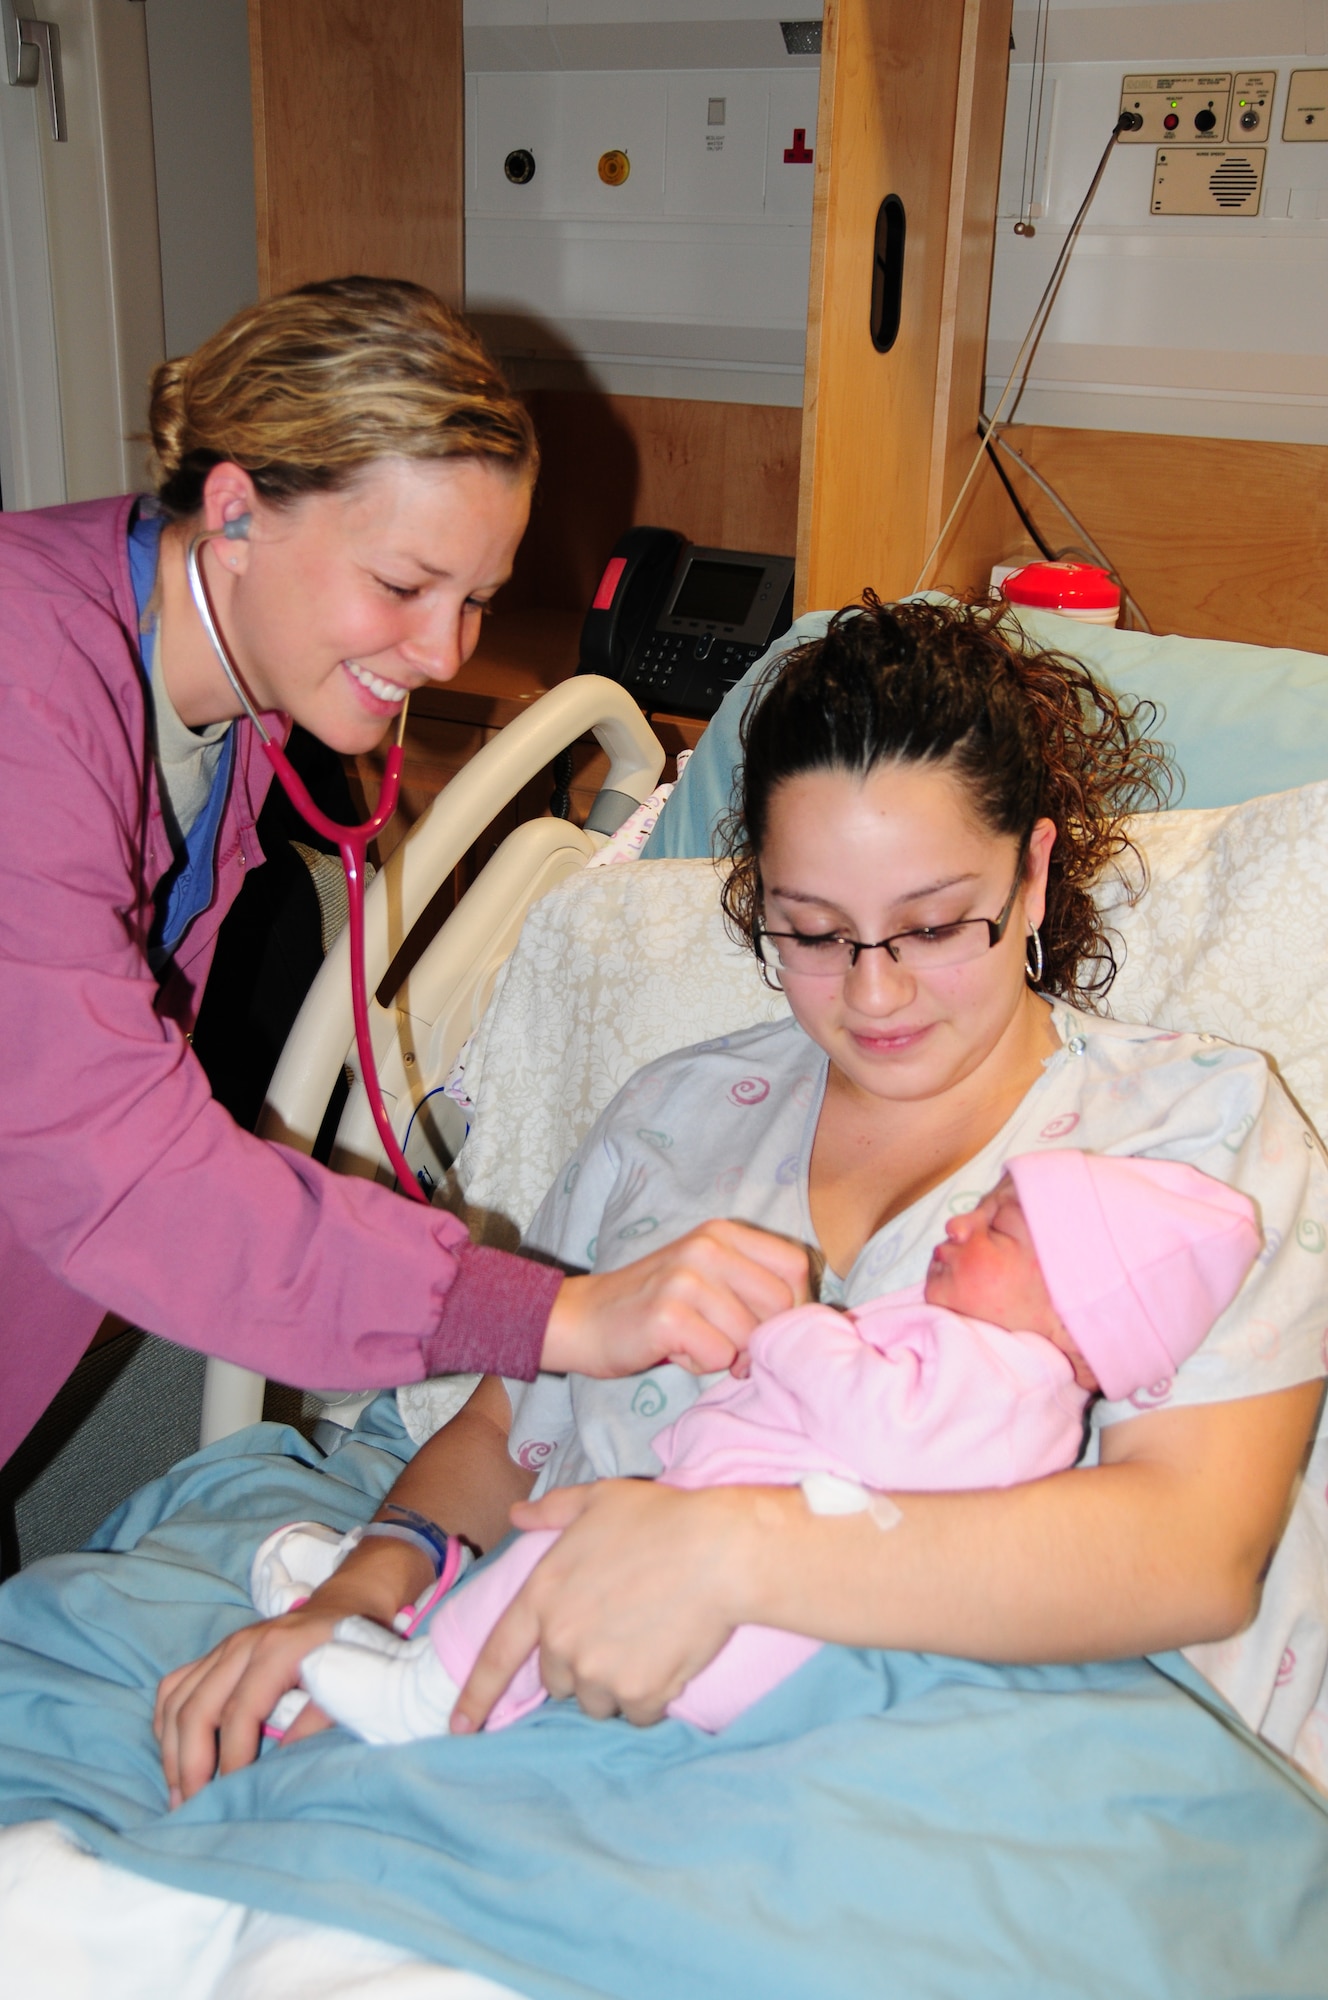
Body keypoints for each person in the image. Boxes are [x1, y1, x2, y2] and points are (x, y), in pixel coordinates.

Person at [154, 594, 1328, 1807]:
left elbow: (1192, 1551)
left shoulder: (1190, 1134)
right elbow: (506, 1432)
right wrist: (364, 1588)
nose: (872, 997)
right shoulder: (676, 1117)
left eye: (930, 926)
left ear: (1030, 873)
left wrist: (740, 1553)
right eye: (811, 932)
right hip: (585, 1736)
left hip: (997, 1794)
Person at [0, 276, 808, 1469]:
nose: (439, 653)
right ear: (234, 511)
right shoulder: (28, 686)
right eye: (400, 585)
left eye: (476, 598)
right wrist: (561, 1314)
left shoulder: (214, 704)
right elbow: (109, 1161)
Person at [270, 1150, 1259, 1743]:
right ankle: (410, 1624)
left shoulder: (1009, 1376)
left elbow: (874, 1422)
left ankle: (418, 1692)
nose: (958, 1219)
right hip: (716, 1574)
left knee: (556, 1559)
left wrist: (793, 1329)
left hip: (754, 1610)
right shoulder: (981, 1356)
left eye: (998, 1226)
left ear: (1075, 1315)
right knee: (555, 1561)